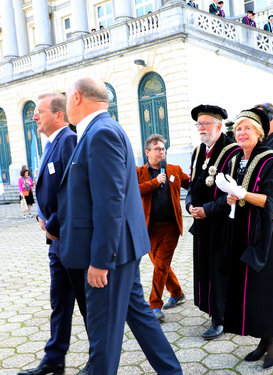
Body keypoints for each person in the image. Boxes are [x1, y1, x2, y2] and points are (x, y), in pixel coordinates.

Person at [57, 77, 181, 375]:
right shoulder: (102, 130)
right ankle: (171, 370)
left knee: (103, 336)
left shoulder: (100, 133)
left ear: (75, 98)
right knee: (139, 316)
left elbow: (110, 203)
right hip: (119, 249)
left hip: (108, 255)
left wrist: (101, 261)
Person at [215, 108, 273, 369]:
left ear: (258, 133)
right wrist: (231, 195)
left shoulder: (272, 160)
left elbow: (272, 200)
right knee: (251, 286)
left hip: (270, 233)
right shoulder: (236, 160)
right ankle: (263, 338)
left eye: (247, 128)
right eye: (238, 129)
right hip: (243, 230)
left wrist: (241, 194)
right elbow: (238, 194)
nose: (241, 133)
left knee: (267, 284)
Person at [18, 94, 89, 375]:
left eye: (39, 112)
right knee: (59, 302)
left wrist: (54, 223)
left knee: (86, 305)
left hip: (69, 238)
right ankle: (54, 357)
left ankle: (99, 357)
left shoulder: (68, 140)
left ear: (59, 116)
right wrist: (42, 217)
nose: (35, 117)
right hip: (55, 240)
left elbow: (73, 189)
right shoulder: (51, 143)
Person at [185, 104, 241, 340]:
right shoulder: (199, 151)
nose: (201, 128)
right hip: (202, 222)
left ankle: (221, 318)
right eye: (199, 124)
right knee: (206, 268)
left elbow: (233, 191)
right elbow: (193, 183)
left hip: (222, 222)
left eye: (206, 123)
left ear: (219, 126)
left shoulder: (232, 151)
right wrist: (189, 205)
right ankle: (211, 309)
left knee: (220, 269)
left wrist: (207, 210)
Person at [137, 134, 190, 322]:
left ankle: (155, 305)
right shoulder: (138, 172)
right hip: (148, 228)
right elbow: (133, 190)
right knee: (160, 265)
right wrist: (155, 182)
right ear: (147, 152)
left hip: (170, 227)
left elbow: (191, 184)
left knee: (160, 265)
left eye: (163, 149)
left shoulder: (174, 169)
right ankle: (177, 292)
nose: (162, 152)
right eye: (158, 149)